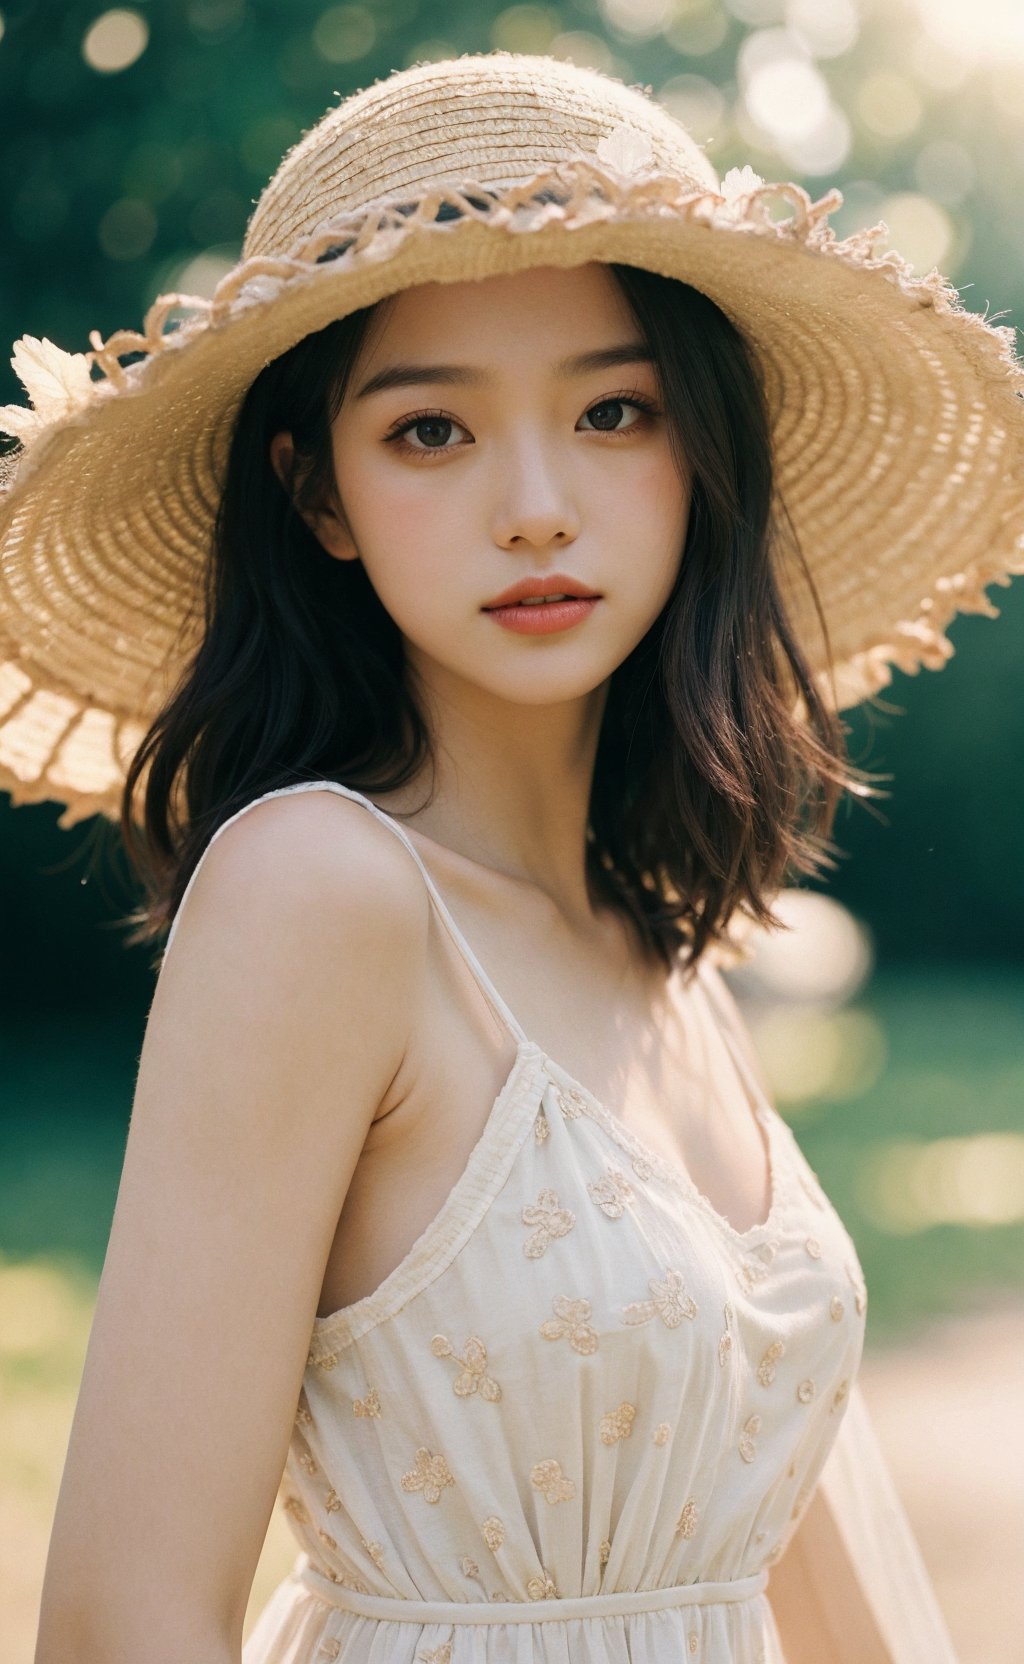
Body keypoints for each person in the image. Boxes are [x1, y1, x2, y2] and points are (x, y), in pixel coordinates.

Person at [6, 50, 1020, 1664]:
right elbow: (125, 1619)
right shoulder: (317, 894)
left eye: (614, 412)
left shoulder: (666, 949)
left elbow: (815, 1568)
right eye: (430, 432)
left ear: (701, 454)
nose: (537, 507)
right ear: (317, 492)